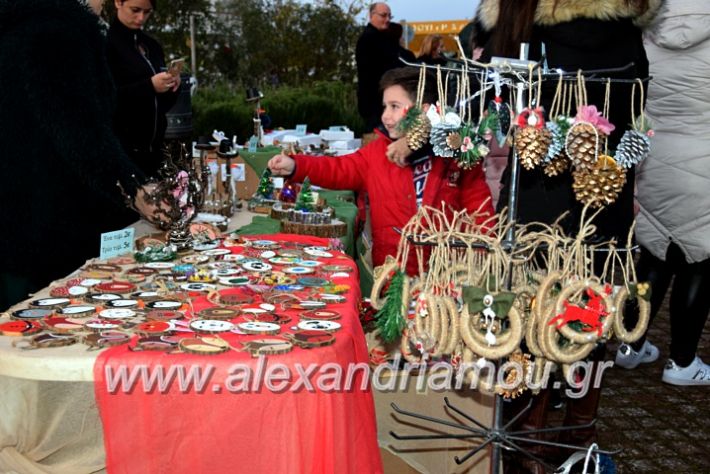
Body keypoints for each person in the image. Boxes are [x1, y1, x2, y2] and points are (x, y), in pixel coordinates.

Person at [474, 0, 662, 472]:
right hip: (602, 196)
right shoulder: (621, 29)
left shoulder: (515, 21)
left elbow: (498, 108)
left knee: (528, 314)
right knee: (589, 312)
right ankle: (579, 437)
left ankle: (528, 443)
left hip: (534, 197)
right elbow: (631, 111)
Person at [0, 0, 158, 310]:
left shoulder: (21, 29)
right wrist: (137, 190)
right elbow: (81, 132)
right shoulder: (59, 35)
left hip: (16, 220)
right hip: (48, 227)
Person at [268, 67, 494, 275]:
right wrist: (296, 165)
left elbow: (480, 208)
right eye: (385, 106)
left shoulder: (456, 156)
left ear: (424, 110)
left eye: (395, 106)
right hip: (393, 273)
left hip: (445, 274)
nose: (386, 116)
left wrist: (487, 257)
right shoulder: (376, 154)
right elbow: (338, 168)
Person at [615, 0, 710, 385]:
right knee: (701, 258)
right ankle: (683, 363)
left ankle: (629, 343)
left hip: (654, 152)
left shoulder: (647, 26)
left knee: (654, 252)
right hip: (704, 155)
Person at [107, 0, 180, 177]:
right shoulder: (106, 44)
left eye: (147, 12)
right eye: (135, 10)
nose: (141, 18)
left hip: (155, 152)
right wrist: (149, 86)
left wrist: (172, 85)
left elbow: (161, 106)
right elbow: (106, 97)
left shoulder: (152, 46)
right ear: (118, 2)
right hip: (119, 153)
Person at [355, 2, 403, 132]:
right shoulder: (369, 39)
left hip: (381, 101)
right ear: (371, 16)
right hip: (375, 103)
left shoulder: (381, 38)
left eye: (389, 16)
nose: (387, 20)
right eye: (383, 15)